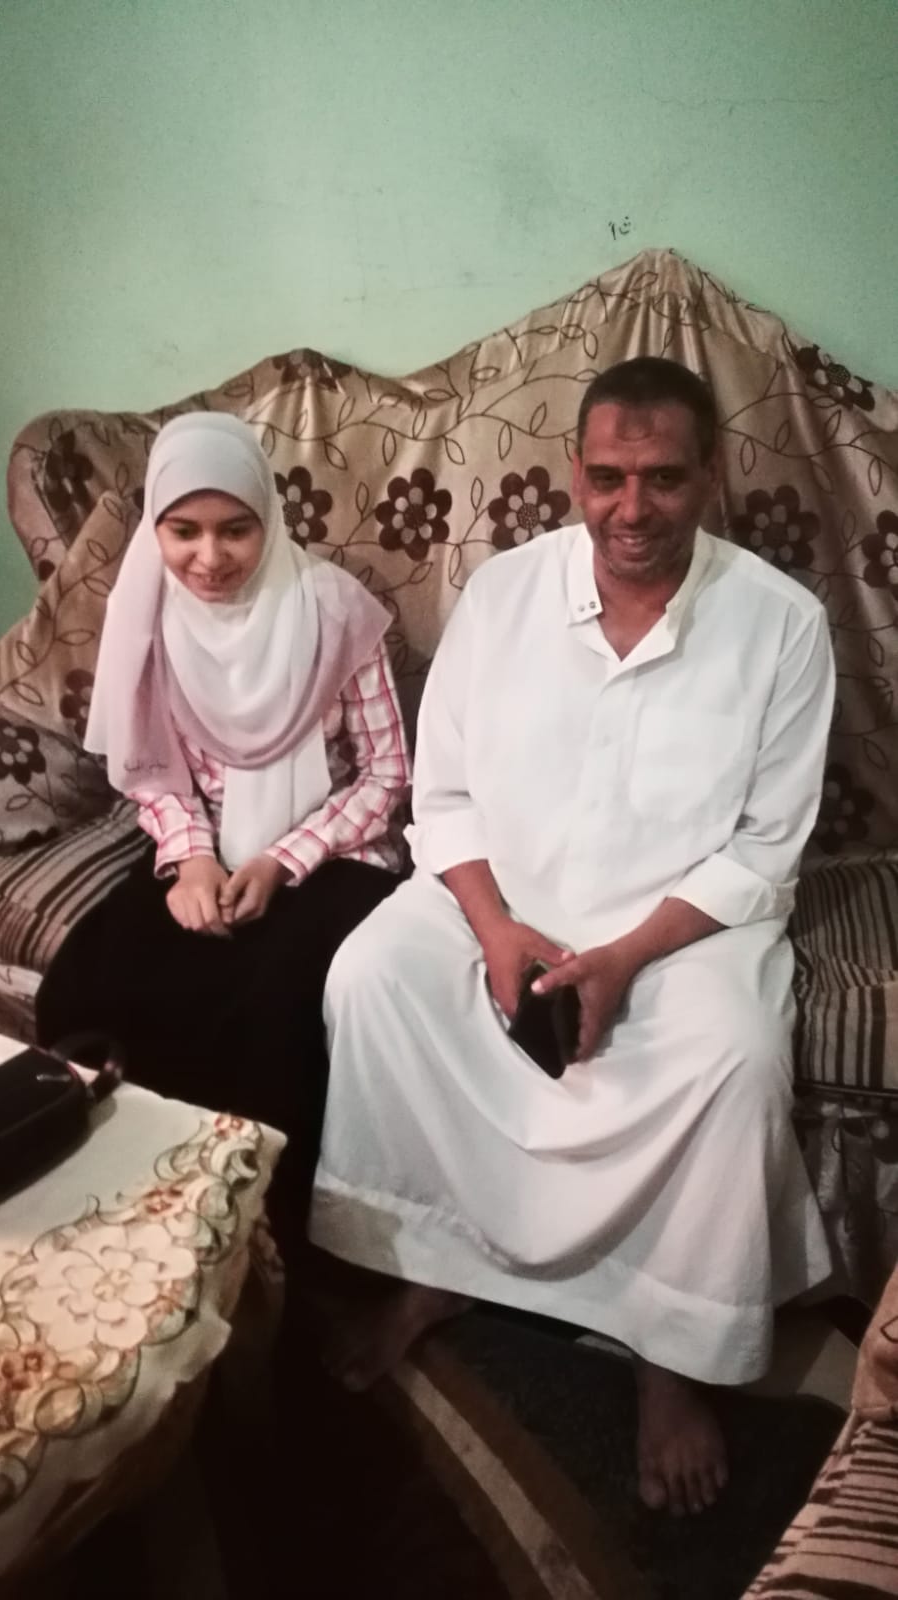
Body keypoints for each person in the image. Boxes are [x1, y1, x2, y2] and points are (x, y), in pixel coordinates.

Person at [309, 357, 836, 1517]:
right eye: (606, 477)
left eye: (662, 478)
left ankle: (667, 1350)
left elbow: (764, 847)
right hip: (499, 897)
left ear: (711, 473)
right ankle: (435, 1268)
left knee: (736, 1056)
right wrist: (496, 929)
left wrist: (625, 957)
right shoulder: (501, 594)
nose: (630, 508)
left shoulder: (781, 625)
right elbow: (443, 795)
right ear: (573, 472)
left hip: (678, 925)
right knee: (372, 978)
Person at [36, 411, 411, 1235]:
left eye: (235, 529)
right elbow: (151, 769)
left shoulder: (335, 612)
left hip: (334, 854)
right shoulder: (149, 616)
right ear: (156, 530)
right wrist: (192, 859)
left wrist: (282, 860)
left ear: (268, 518)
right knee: (86, 984)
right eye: (184, 532)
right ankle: (134, 1211)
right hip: (208, 850)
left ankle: (260, 1236)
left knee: (270, 1009)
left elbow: (387, 774)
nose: (209, 558)